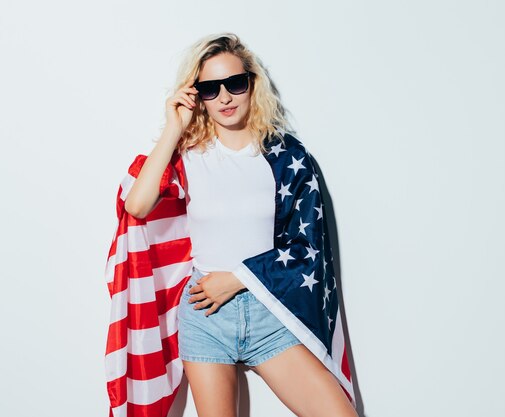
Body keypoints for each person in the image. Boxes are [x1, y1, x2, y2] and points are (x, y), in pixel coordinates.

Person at [121, 32, 358, 417]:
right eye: (210, 89)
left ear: (252, 82)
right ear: (197, 95)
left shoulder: (286, 156)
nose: (225, 97)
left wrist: (237, 278)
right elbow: (138, 204)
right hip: (206, 317)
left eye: (234, 83)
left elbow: (308, 248)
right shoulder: (188, 155)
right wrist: (173, 127)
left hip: (271, 313)